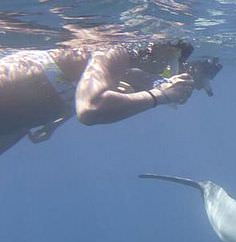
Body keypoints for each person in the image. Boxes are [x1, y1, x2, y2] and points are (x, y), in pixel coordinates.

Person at [0, 40, 212, 156]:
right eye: (169, 64)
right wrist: (160, 95)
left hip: (19, 118)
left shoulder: (130, 62)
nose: (164, 72)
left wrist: (58, 118)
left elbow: (81, 85)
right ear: (158, 47)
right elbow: (90, 109)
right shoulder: (114, 50)